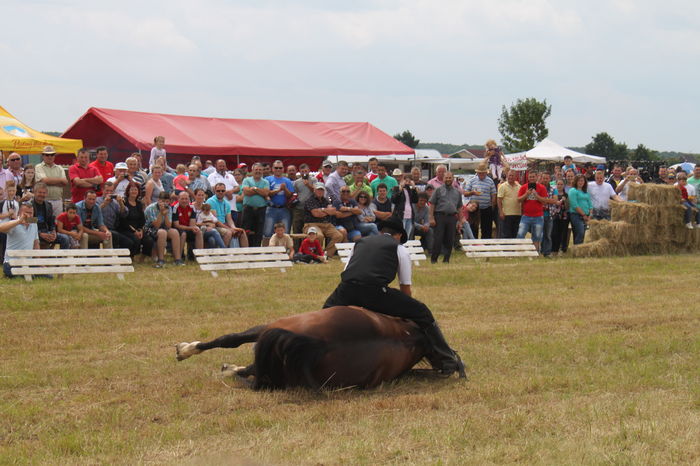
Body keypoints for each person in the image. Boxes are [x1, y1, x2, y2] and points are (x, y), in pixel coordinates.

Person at [322, 217, 465, 377]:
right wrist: (407, 310)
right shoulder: (399, 249)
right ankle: (447, 359)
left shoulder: (360, 243)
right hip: (374, 291)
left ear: (381, 231)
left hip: (346, 289)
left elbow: (348, 269)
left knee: (324, 316)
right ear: (398, 236)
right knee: (422, 312)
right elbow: (405, 286)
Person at [429, 171, 463, 263]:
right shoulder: (438, 190)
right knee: (438, 239)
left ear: (453, 179)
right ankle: (434, 259)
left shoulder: (457, 192)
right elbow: (432, 204)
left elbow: (460, 207)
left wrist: (460, 221)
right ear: (443, 179)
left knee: (450, 239)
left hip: (452, 217)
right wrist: (431, 218)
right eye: (446, 178)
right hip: (440, 216)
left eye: (450, 178)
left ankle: (446, 260)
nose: (448, 179)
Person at [302, 183, 343, 257]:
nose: (320, 191)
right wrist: (327, 211)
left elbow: (333, 211)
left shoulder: (326, 200)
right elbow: (316, 214)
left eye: (321, 190)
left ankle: (326, 254)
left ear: (324, 191)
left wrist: (322, 210)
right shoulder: (310, 200)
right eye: (318, 190)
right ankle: (316, 255)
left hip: (326, 224)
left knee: (338, 236)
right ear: (314, 190)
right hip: (312, 224)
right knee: (319, 236)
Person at [144, 191, 183, 267]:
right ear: (158, 200)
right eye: (162, 201)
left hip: (162, 227)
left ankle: (177, 259)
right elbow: (156, 226)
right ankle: (161, 259)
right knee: (162, 232)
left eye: (167, 201)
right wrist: (161, 213)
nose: (165, 203)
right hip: (148, 228)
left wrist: (165, 215)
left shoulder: (169, 208)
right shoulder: (151, 208)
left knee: (174, 232)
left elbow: (168, 226)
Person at [1, 202, 40, 278]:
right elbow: (1, 228)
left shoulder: (34, 223)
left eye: (31, 213)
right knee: (20, 275)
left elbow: (36, 244)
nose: (29, 215)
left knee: (48, 276)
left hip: (28, 262)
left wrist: (39, 263)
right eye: (26, 213)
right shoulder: (14, 223)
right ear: (20, 213)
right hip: (11, 262)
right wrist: (19, 221)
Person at [515, 171, 549, 253]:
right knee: (520, 234)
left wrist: (536, 195)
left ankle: (536, 253)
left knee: (537, 237)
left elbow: (545, 202)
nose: (532, 178)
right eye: (530, 177)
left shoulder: (542, 187)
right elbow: (518, 200)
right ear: (528, 178)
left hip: (538, 216)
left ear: (537, 177)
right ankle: (518, 253)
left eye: (533, 176)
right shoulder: (524, 187)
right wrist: (526, 194)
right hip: (526, 216)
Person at [207, 183, 248, 248]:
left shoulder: (227, 203)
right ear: (215, 191)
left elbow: (229, 219)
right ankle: (223, 254)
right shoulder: (211, 201)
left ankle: (245, 254)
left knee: (241, 231)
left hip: (223, 225)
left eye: (223, 191)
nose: (221, 192)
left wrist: (234, 228)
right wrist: (229, 228)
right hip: (214, 226)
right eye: (218, 191)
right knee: (228, 232)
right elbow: (215, 221)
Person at [118, 182, 152, 259]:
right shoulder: (124, 202)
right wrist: (134, 231)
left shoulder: (139, 204)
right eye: (132, 190)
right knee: (135, 240)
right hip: (125, 229)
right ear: (128, 191)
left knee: (149, 240)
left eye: (136, 190)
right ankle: (131, 257)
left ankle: (142, 259)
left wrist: (140, 230)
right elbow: (123, 220)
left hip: (137, 229)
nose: (134, 192)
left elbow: (142, 220)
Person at [31, 183, 70, 250]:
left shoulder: (48, 205)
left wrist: (53, 232)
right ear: (34, 192)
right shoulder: (29, 205)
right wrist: (40, 234)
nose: (42, 195)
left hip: (46, 231)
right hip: (34, 233)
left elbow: (51, 221)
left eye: (44, 193)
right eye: (40, 192)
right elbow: (29, 223)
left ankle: (62, 260)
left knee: (65, 238)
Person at [263, 160, 295, 241]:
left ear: (283, 169)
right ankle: (268, 252)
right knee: (267, 232)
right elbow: (267, 193)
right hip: (271, 208)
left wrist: (285, 189)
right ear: (272, 169)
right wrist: (278, 190)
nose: (278, 169)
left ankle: (284, 251)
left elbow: (290, 195)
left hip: (284, 209)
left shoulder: (287, 180)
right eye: (276, 168)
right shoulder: (267, 179)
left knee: (285, 232)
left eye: (280, 168)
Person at [463, 163, 497, 238]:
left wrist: (492, 205)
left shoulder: (490, 181)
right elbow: (465, 193)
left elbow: (493, 194)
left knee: (486, 228)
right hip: (474, 209)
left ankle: (485, 245)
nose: (481, 174)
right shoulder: (472, 181)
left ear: (486, 173)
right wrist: (472, 192)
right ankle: (473, 243)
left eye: (483, 173)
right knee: (473, 227)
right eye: (479, 173)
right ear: (477, 173)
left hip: (486, 207)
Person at [241, 163, 270, 246]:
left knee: (259, 231)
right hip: (248, 209)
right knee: (246, 230)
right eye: (256, 170)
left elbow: (265, 193)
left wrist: (254, 188)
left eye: (260, 170)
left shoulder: (265, 182)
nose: (258, 171)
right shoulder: (246, 180)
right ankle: (245, 249)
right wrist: (260, 191)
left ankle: (257, 249)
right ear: (252, 171)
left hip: (261, 209)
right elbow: (246, 192)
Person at [34, 146, 68, 215]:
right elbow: (44, 181)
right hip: (43, 200)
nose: (50, 157)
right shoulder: (38, 167)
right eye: (47, 155)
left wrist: (48, 181)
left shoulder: (60, 168)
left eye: (52, 155)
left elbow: (65, 182)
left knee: (57, 222)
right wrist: (59, 181)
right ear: (43, 156)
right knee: (43, 221)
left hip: (58, 200)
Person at [97, 182, 130, 250]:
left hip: (113, 228)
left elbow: (124, 214)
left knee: (129, 242)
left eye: (111, 191)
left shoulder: (115, 202)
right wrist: (104, 204)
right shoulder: (97, 200)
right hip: (99, 228)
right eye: (107, 190)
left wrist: (121, 203)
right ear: (103, 190)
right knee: (115, 236)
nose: (109, 193)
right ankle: (113, 257)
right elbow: (94, 212)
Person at [172, 191, 203, 259]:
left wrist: (194, 228)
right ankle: (178, 257)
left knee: (199, 232)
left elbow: (192, 224)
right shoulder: (175, 208)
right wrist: (191, 228)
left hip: (187, 228)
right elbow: (176, 225)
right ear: (178, 199)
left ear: (189, 199)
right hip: (177, 229)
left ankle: (199, 257)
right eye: (182, 199)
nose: (184, 201)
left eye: (186, 199)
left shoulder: (192, 208)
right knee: (183, 234)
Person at [291, 164, 316, 237]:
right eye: (302, 171)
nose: (304, 173)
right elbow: (295, 193)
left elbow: (316, 191)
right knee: (297, 229)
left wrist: (308, 185)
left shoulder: (313, 179)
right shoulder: (296, 182)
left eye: (306, 171)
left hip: (310, 209)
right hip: (299, 209)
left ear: (309, 171)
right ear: (300, 172)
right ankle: (296, 247)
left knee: (308, 230)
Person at [392, 173, 418, 239]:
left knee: (407, 235)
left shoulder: (410, 189)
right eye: (405, 180)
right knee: (400, 234)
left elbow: (415, 200)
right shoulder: (396, 188)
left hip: (409, 215)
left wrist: (414, 188)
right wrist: (400, 190)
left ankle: (406, 248)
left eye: (409, 181)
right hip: (401, 215)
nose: (407, 182)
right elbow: (394, 200)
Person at [497, 169, 521, 238]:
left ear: (516, 177)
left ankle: (513, 249)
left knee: (515, 234)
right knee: (506, 234)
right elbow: (499, 200)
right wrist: (501, 212)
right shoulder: (502, 186)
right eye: (509, 175)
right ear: (507, 176)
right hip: (506, 214)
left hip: (517, 214)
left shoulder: (519, 187)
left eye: (512, 176)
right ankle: (507, 249)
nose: (511, 177)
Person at [568, 175, 592, 245]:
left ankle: (579, 249)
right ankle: (577, 249)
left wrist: (590, 215)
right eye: (579, 180)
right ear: (576, 181)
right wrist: (583, 214)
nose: (581, 182)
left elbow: (590, 204)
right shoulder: (573, 191)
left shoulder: (585, 192)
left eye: (582, 181)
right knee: (580, 232)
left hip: (586, 215)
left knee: (582, 233)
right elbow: (574, 204)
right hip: (576, 215)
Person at [550, 179, 570, 255]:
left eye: (561, 184)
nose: (559, 186)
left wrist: (565, 201)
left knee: (563, 233)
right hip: (554, 215)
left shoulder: (566, 195)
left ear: (564, 185)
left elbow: (568, 206)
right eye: (558, 184)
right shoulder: (553, 193)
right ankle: (554, 248)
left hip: (563, 216)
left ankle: (562, 248)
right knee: (554, 232)